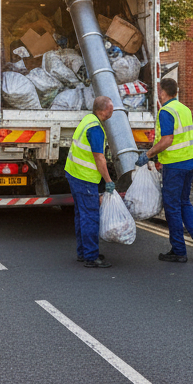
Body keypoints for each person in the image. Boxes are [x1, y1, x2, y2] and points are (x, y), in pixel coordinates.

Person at [140, 77, 193, 262]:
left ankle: (179, 250)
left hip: (175, 165)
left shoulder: (166, 111)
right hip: (191, 162)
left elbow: (167, 140)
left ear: (163, 92)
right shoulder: (184, 109)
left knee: (172, 207)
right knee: (184, 202)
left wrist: (148, 155)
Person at [64, 95, 117, 268]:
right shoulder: (95, 128)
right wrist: (108, 181)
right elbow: (99, 157)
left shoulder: (88, 119)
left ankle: (84, 252)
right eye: (111, 108)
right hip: (84, 178)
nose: (113, 111)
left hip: (74, 173)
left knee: (81, 215)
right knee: (90, 216)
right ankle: (91, 257)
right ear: (103, 110)